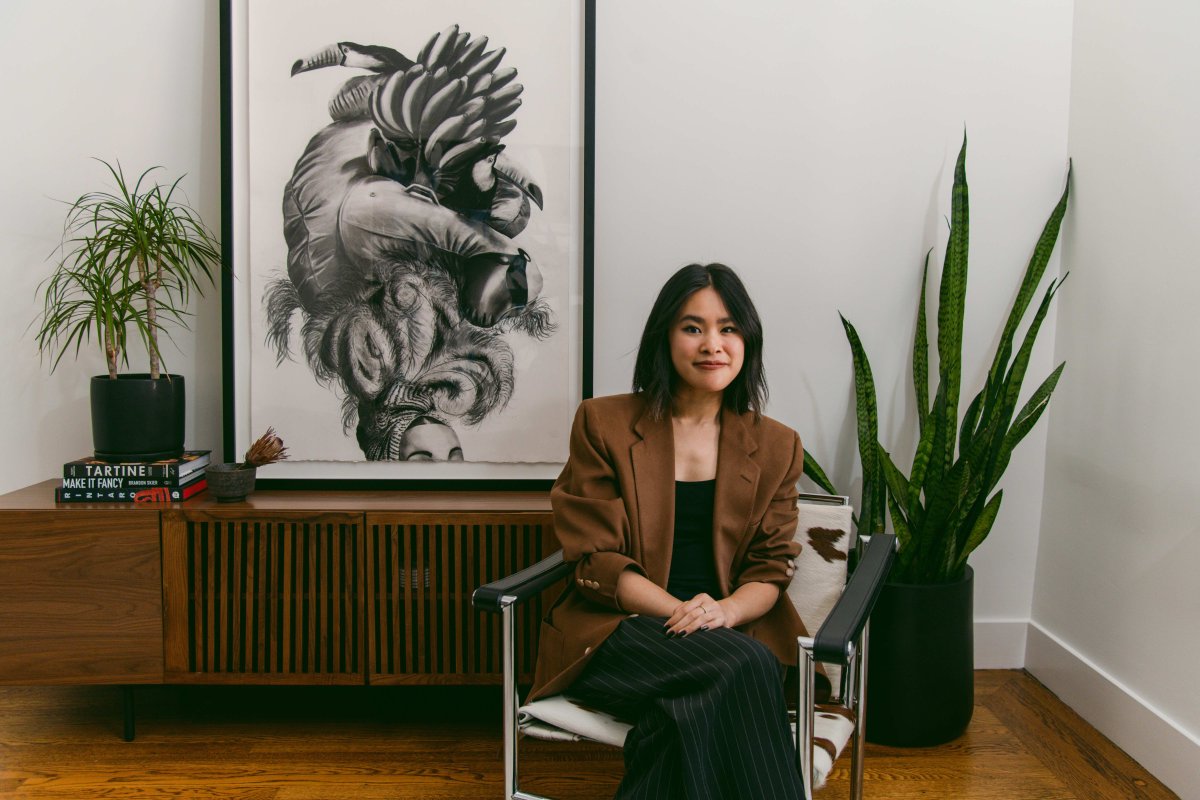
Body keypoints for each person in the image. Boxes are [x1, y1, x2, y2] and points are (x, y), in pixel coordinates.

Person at [527, 263, 812, 799]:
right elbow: (595, 559)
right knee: (743, 664)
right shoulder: (603, 423)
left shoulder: (777, 444)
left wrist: (723, 612)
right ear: (665, 336)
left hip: (724, 640)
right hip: (619, 630)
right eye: (693, 327)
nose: (713, 344)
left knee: (678, 716)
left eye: (728, 328)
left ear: (747, 339)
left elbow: (770, 569)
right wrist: (682, 614)